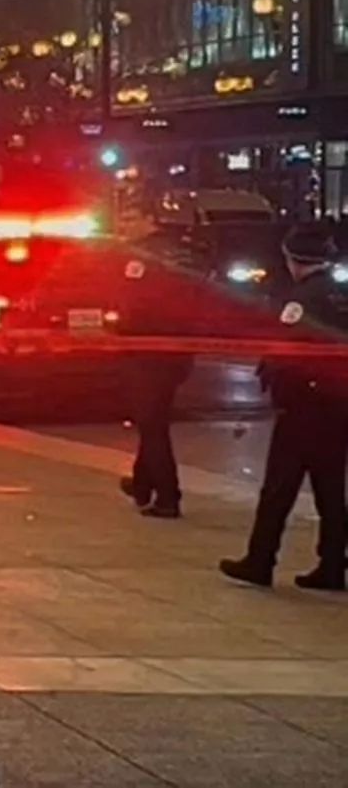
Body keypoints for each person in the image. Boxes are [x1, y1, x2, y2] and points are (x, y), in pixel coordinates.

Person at [220, 225, 348, 591]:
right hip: (337, 404)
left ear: (293, 259)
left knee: (278, 487)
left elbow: (287, 348)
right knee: (330, 488)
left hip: (304, 405)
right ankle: (332, 564)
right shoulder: (341, 294)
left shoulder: (301, 298)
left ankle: (260, 560)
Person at [114, 199, 202, 519]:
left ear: (149, 219)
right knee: (152, 417)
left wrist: (119, 330)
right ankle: (142, 482)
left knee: (151, 423)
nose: (124, 226)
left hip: (149, 351)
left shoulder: (141, 255)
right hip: (177, 350)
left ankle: (167, 495)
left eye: (130, 218)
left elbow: (134, 305)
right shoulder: (180, 250)